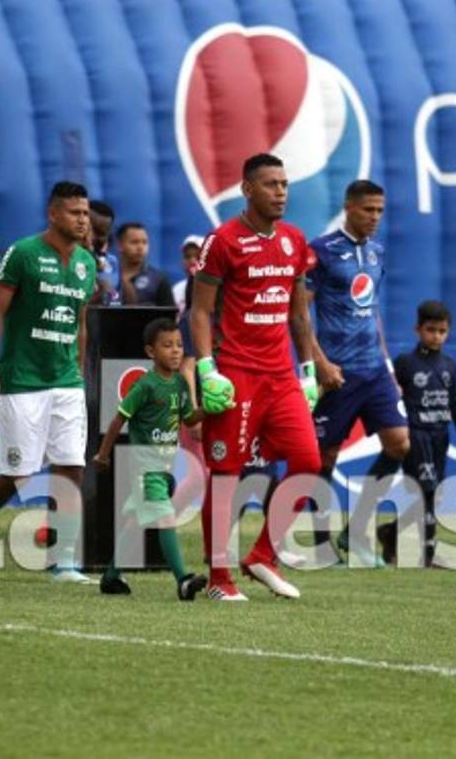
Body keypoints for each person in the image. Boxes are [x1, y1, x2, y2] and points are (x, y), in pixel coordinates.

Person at [191, 152, 321, 601]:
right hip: (237, 374)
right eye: (271, 184)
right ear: (247, 189)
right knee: (226, 475)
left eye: (284, 183)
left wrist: (307, 372)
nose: (281, 192)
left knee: (308, 462)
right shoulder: (222, 241)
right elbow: (201, 311)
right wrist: (207, 368)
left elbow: (299, 315)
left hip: (281, 375)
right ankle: (218, 579)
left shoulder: (294, 240)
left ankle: (262, 555)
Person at [0, 181, 97, 583]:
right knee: (17, 472)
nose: (83, 220)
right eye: (75, 213)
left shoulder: (86, 263)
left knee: (71, 468)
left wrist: (81, 371)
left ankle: (63, 560)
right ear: (53, 214)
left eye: (85, 213)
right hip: (23, 381)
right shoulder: (22, 253)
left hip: (66, 380)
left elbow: (80, 322)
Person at [306, 180, 409, 562]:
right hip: (338, 370)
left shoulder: (378, 251)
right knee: (325, 456)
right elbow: (299, 310)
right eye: (368, 210)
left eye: (380, 210)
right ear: (349, 207)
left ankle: (356, 528)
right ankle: (320, 543)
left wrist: (386, 364)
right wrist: (320, 362)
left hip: (374, 370)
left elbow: (373, 311)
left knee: (399, 444)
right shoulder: (322, 250)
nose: (375, 217)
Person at [93, 317, 208, 599]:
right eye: (167, 345)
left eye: (179, 345)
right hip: (146, 467)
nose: (175, 351)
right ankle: (183, 581)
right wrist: (103, 454)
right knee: (166, 519)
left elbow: (189, 418)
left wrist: (210, 410)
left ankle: (111, 576)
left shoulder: (180, 384)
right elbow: (119, 419)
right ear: (150, 352)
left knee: (135, 521)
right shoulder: (145, 386)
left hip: (167, 467)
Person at [389, 301, 456, 566]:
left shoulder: (450, 365)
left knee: (433, 493)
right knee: (426, 491)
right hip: (417, 436)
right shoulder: (405, 363)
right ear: (418, 329)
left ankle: (389, 533)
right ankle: (429, 554)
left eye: (442, 331)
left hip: (441, 437)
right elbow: (388, 397)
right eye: (431, 330)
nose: (436, 336)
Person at [116, 223, 174, 307]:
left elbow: (169, 315)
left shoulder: (159, 280)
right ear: (120, 245)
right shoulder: (110, 276)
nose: (140, 247)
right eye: (134, 242)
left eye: (144, 242)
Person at [89, 200, 120, 306]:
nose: (91, 237)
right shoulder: (59, 259)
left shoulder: (112, 262)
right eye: (88, 229)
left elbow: (116, 303)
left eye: (100, 233)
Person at [171, 235, 203, 313]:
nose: (192, 261)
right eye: (187, 256)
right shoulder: (176, 290)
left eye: (198, 256)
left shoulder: (215, 290)